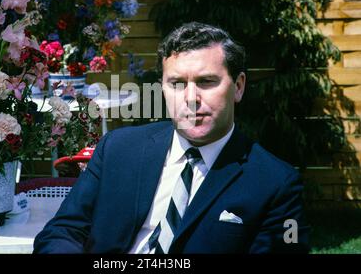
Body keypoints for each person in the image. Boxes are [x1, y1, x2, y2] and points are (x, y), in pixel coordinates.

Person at [34, 22, 309, 254]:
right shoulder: (118, 149)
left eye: (206, 82)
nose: (190, 99)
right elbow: (62, 232)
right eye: (177, 84)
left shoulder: (275, 183)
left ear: (238, 87)